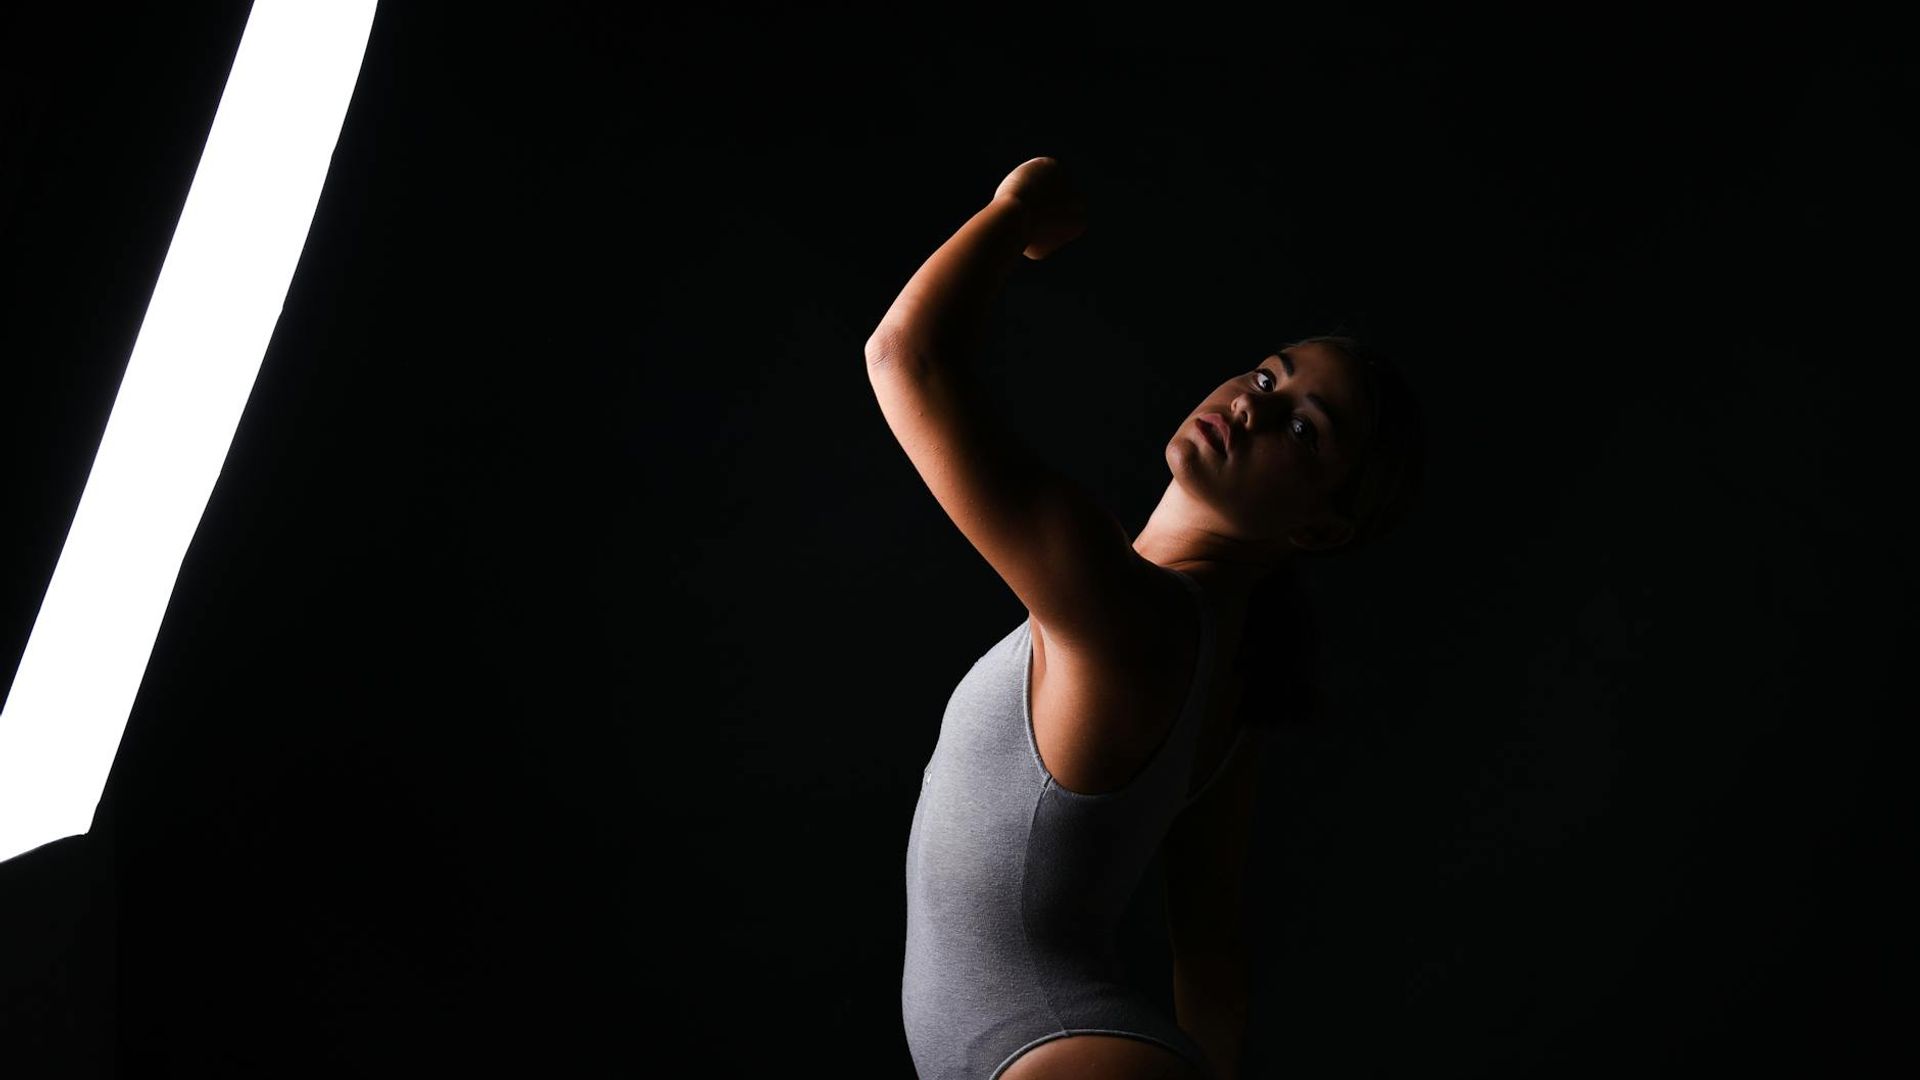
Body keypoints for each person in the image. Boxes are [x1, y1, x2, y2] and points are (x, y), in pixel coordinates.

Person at [867, 157, 1426, 1080]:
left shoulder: (1131, 616)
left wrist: (1018, 210)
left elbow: (904, 357)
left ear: (1321, 529)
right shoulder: (1232, 689)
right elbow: (1210, 962)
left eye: (1300, 428)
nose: (1254, 401)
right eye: (1265, 373)